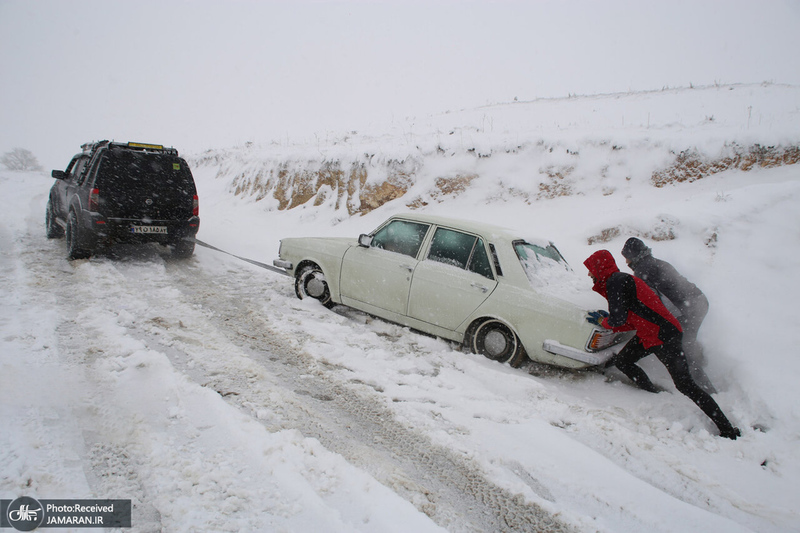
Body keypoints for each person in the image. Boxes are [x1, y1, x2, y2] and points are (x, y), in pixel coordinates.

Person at [584, 249, 740, 440]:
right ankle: (652, 394)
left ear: (599, 268)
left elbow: (618, 319)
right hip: (649, 334)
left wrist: (605, 322)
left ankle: (728, 430)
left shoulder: (616, 281)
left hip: (664, 335)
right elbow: (629, 318)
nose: (589, 273)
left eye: (591, 269)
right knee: (624, 361)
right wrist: (610, 321)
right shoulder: (617, 281)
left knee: (685, 384)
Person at [621, 237, 716, 394]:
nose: (626, 262)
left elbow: (651, 300)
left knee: (684, 349)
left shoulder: (642, 270)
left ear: (633, 255)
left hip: (689, 308)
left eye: (626, 258)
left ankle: (708, 391)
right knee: (688, 341)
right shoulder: (656, 262)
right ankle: (700, 360)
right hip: (699, 301)